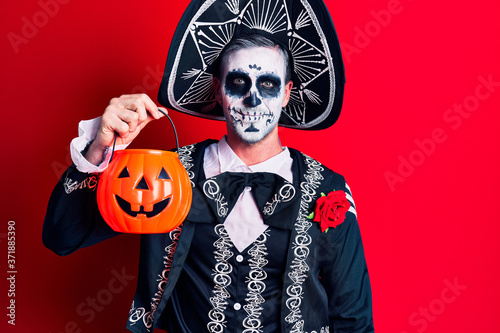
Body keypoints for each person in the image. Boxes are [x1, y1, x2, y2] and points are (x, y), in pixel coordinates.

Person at [44, 1, 374, 332]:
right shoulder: (167, 175)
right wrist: (100, 146)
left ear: (287, 93)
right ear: (217, 90)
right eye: (239, 83)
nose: (253, 100)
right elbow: (62, 237)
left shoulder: (327, 190)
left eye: (269, 84)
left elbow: (353, 318)